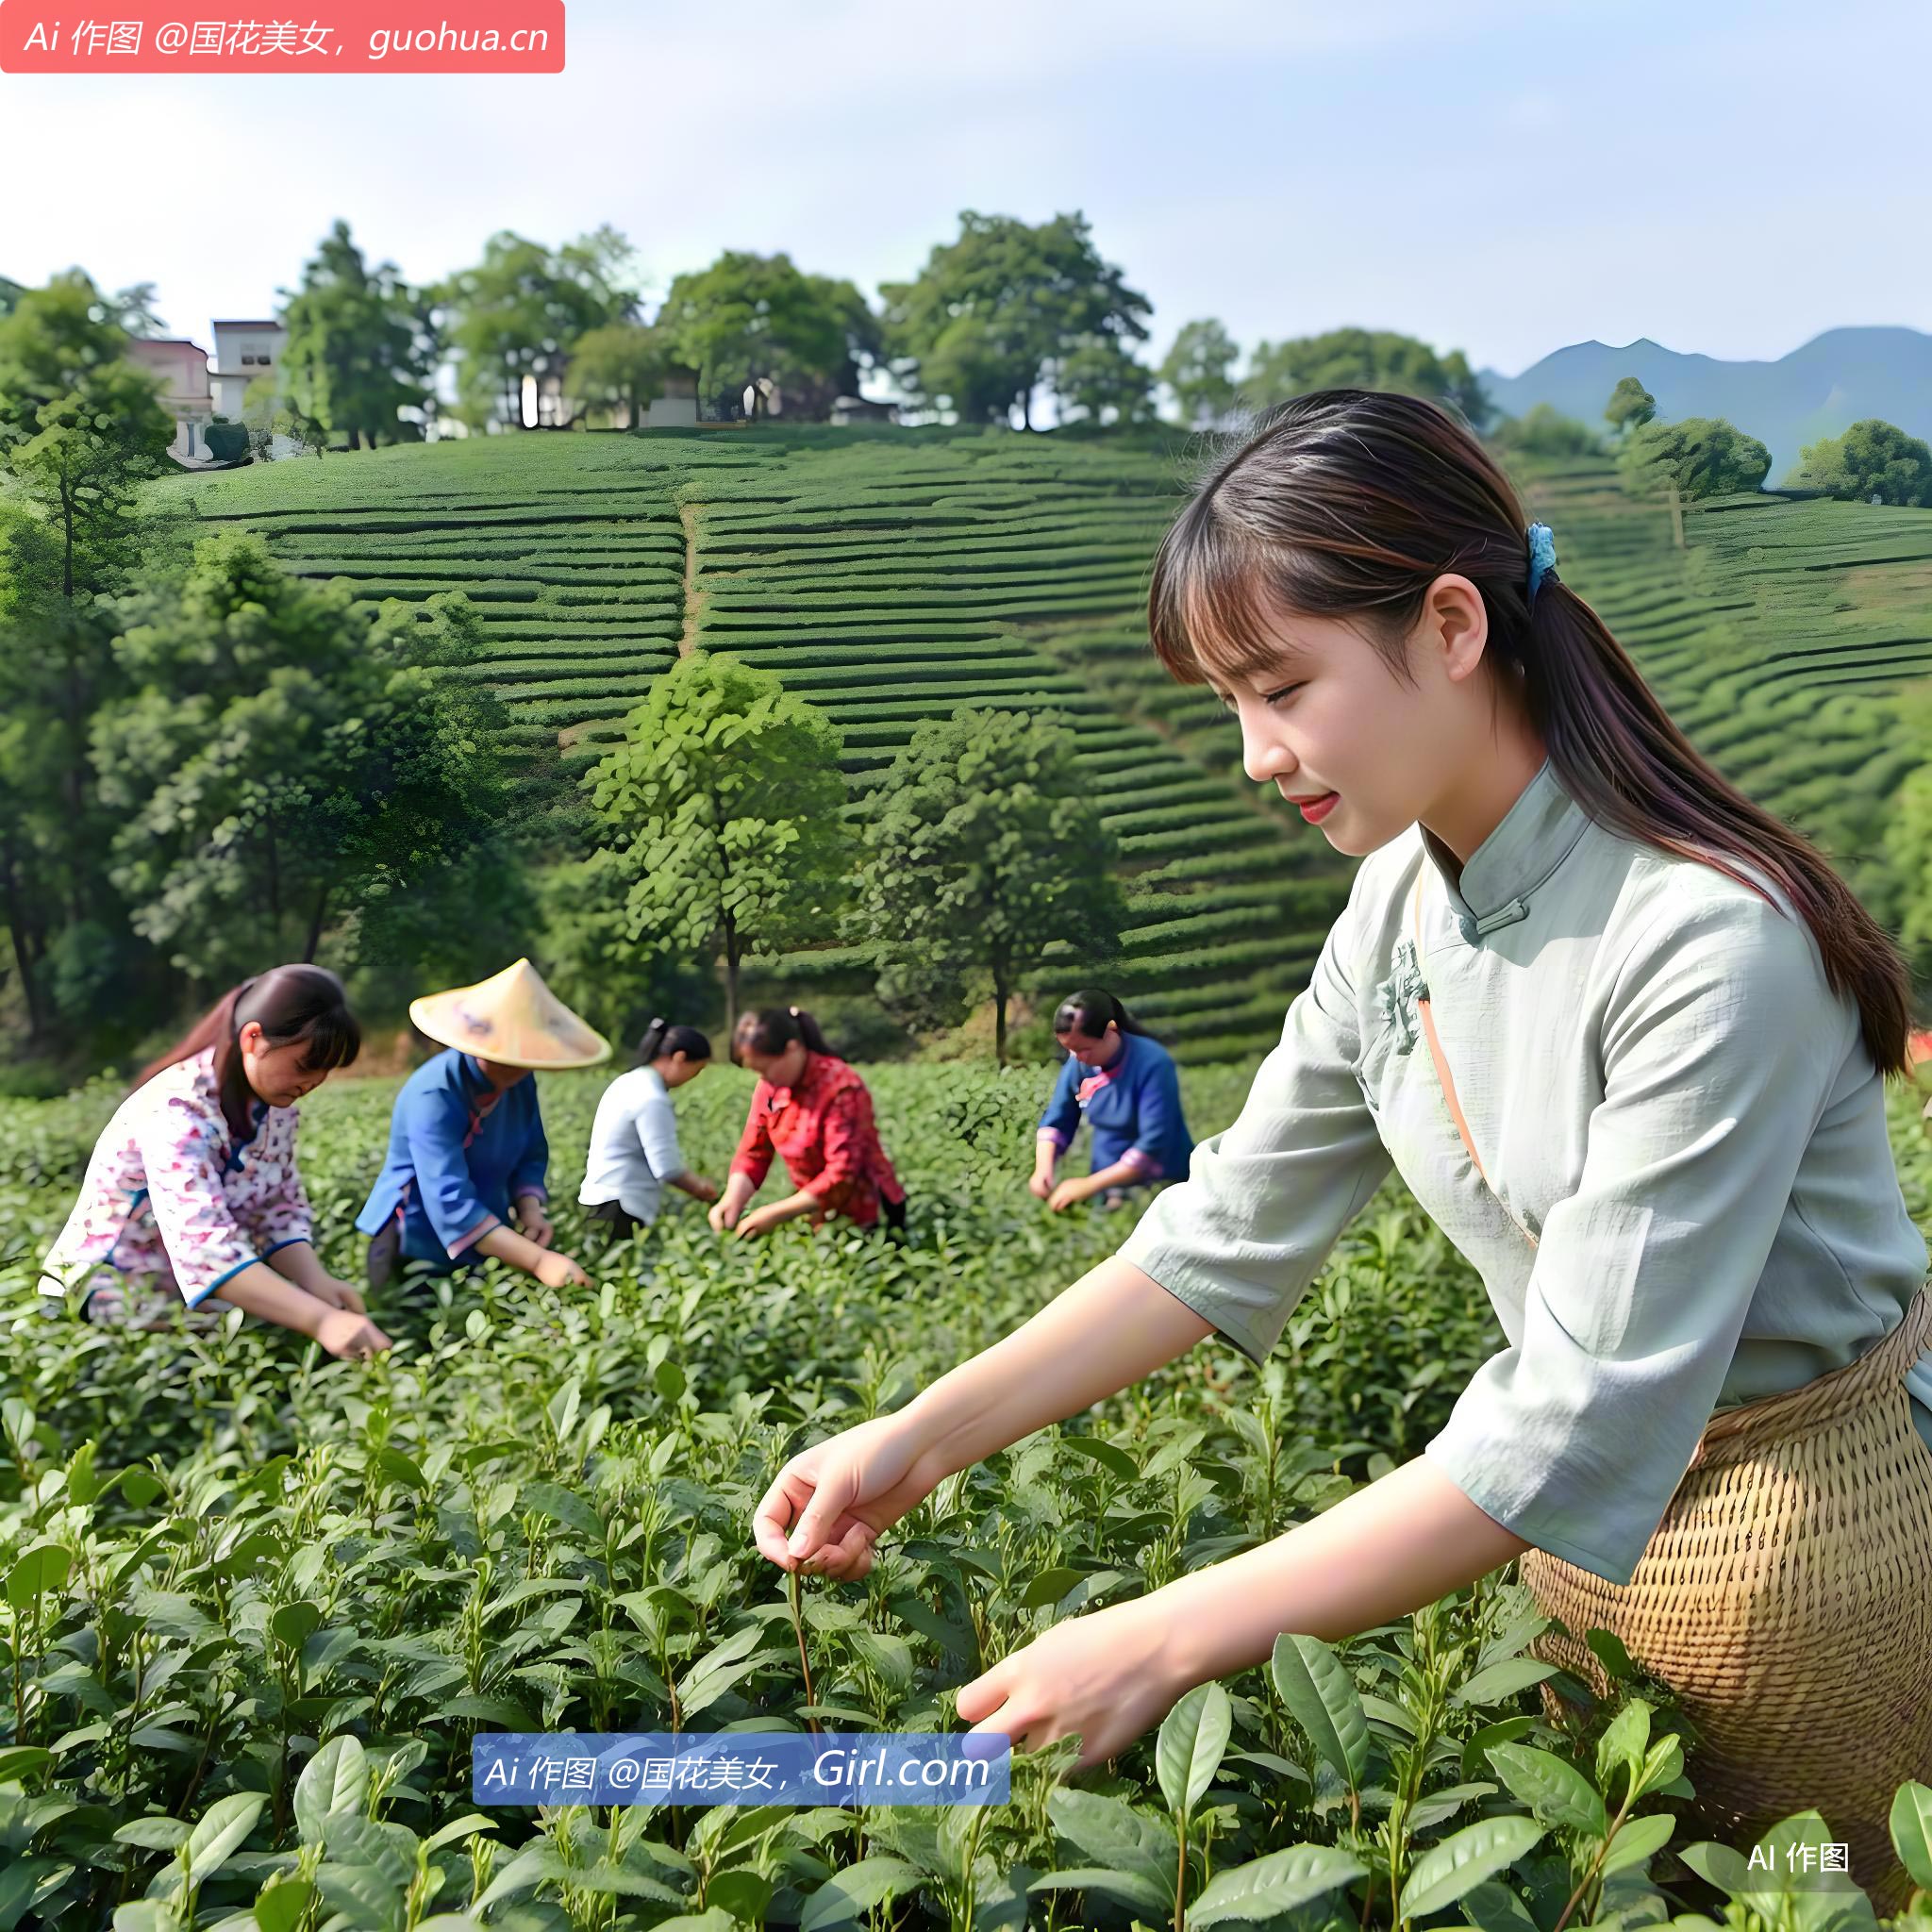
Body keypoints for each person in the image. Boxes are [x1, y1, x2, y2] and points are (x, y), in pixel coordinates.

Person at [750, 389, 1932, 1892]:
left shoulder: (1704, 941)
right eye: (1229, 704)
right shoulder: (1399, 904)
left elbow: (1574, 1421)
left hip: (1816, 1557)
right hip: (1580, 1557)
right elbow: (1222, 1230)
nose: (1255, 754)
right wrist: (916, 1440)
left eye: (1283, 688)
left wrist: (1162, 1636)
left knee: (1817, 1897)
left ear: (1451, 626)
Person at [38, 965, 388, 1358]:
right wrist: (320, 1320)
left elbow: (276, 1205)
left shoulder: (276, 1106)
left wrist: (315, 1281)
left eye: (326, 1070)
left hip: (187, 1294)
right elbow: (205, 1248)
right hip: (106, 1294)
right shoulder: (177, 1113)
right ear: (253, 1038)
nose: (314, 1082)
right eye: (306, 1065)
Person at [356, 958, 608, 1292]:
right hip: (413, 1241)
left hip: (486, 1235)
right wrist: (538, 1260)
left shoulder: (519, 1083)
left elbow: (531, 1152)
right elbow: (449, 1201)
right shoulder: (435, 1093)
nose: (516, 1068)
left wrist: (529, 1210)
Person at [710, 1007, 907, 1241]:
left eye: (765, 1069)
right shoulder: (771, 1088)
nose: (763, 1079)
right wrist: (732, 1198)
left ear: (792, 1049)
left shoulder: (841, 1087)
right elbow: (754, 1152)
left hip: (867, 1212)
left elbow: (841, 1174)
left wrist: (774, 1214)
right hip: (816, 1211)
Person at [1030, 989, 1194, 1212]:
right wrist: (1043, 1169)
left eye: (1084, 1049)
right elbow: (1058, 1118)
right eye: (1070, 1050)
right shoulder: (1079, 1063)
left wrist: (1087, 1185)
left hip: (1162, 1180)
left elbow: (1153, 1145)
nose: (1078, 1058)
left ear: (1111, 1029)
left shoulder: (1153, 1063)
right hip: (1106, 1178)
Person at [578, 1017, 722, 1241]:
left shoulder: (628, 1082)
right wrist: (705, 1192)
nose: (693, 1078)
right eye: (697, 1069)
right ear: (680, 1058)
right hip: (622, 1206)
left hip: (598, 1199)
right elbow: (667, 1167)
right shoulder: (652, 1097)